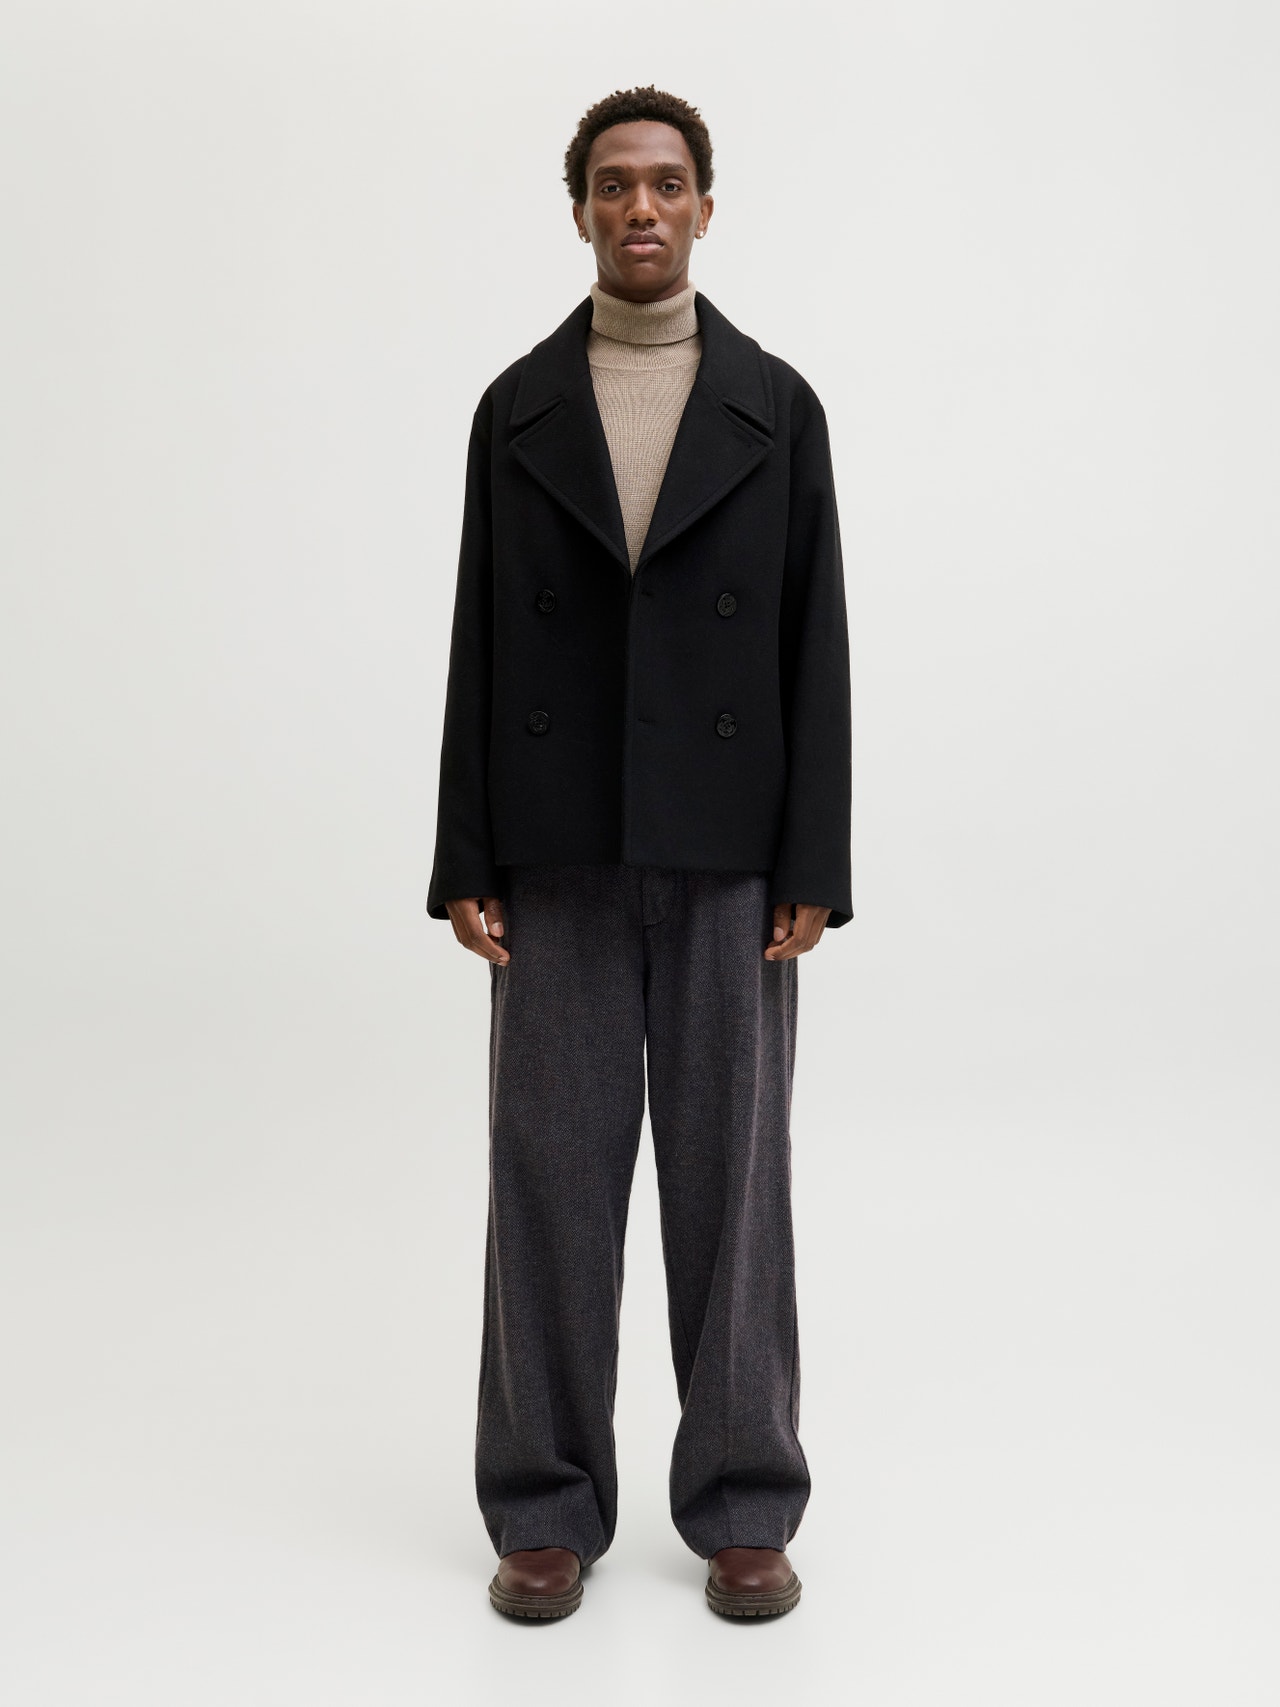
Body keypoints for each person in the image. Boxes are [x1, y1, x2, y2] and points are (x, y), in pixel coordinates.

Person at [425, 84, 852, 1621]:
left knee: (734, 1186)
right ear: (583, 212)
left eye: (668, 182)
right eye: (615, 185)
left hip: (731, 851)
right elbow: (479, 636)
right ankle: (544, 1503)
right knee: (547, 1179)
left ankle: (743, 1502)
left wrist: (814, 860)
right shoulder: (517, 407)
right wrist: (464, 851)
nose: (643, 207)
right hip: (557, 851)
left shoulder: (776, 406)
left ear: (706, 208)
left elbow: (815, 642)